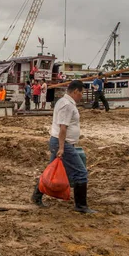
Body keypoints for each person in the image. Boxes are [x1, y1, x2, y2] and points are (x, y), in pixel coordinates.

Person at [31, 80, 96, 213]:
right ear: (76, 91)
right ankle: (81, 206)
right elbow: (63, 128)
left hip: (60, 143)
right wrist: (61, 148)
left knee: (50, 171)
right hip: (62, 144)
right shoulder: (67, 105)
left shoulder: (63, 102)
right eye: (81, 93)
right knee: (81, 172)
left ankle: (36, 196)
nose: (82, 96)